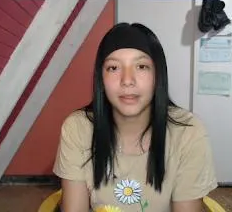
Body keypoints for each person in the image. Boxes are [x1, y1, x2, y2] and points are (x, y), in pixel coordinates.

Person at [55, 23, 217, 212]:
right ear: (101, 79)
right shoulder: (77, 128)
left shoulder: (188, 132)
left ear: (158, 75)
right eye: (113, 68)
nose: (127, 80)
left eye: (141, 66)